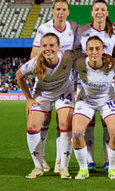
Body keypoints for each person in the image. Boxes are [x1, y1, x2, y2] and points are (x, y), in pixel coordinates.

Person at [30, 0, 78, 173]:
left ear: (68, 12)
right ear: (52, 11)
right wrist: (41, 75)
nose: (60, 12)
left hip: (65, 81)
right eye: (57, 9)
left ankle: (60, 160)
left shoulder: (73, 27)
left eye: (64, 9)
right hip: (45, 81)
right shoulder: (44, 28)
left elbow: (79, 50)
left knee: (64, 120)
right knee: (44, 119)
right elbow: (35, 52)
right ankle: (41, 158)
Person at [16, 33, 75, 180]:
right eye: (44, 46)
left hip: (64, 92)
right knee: (32, 125)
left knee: (65, 124)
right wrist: (29, 99)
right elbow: (19, 75)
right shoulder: (35, 63)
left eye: (51, 45)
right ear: (40, 47)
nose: (48, 49)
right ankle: (38, 166)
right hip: (42, 94)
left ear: (59, 47)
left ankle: (64, 167)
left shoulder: (68, 57)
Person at [74, 0, 115, 173]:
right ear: (92, 12)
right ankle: (90, 161)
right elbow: (75, 54)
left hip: (106, 85)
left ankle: (109, 162)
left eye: (103, 9)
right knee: (88, 125)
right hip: (86, 86)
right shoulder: (82, 31)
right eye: (96, 9)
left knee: (110, 126)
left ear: (107, 13)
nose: (99, 12)